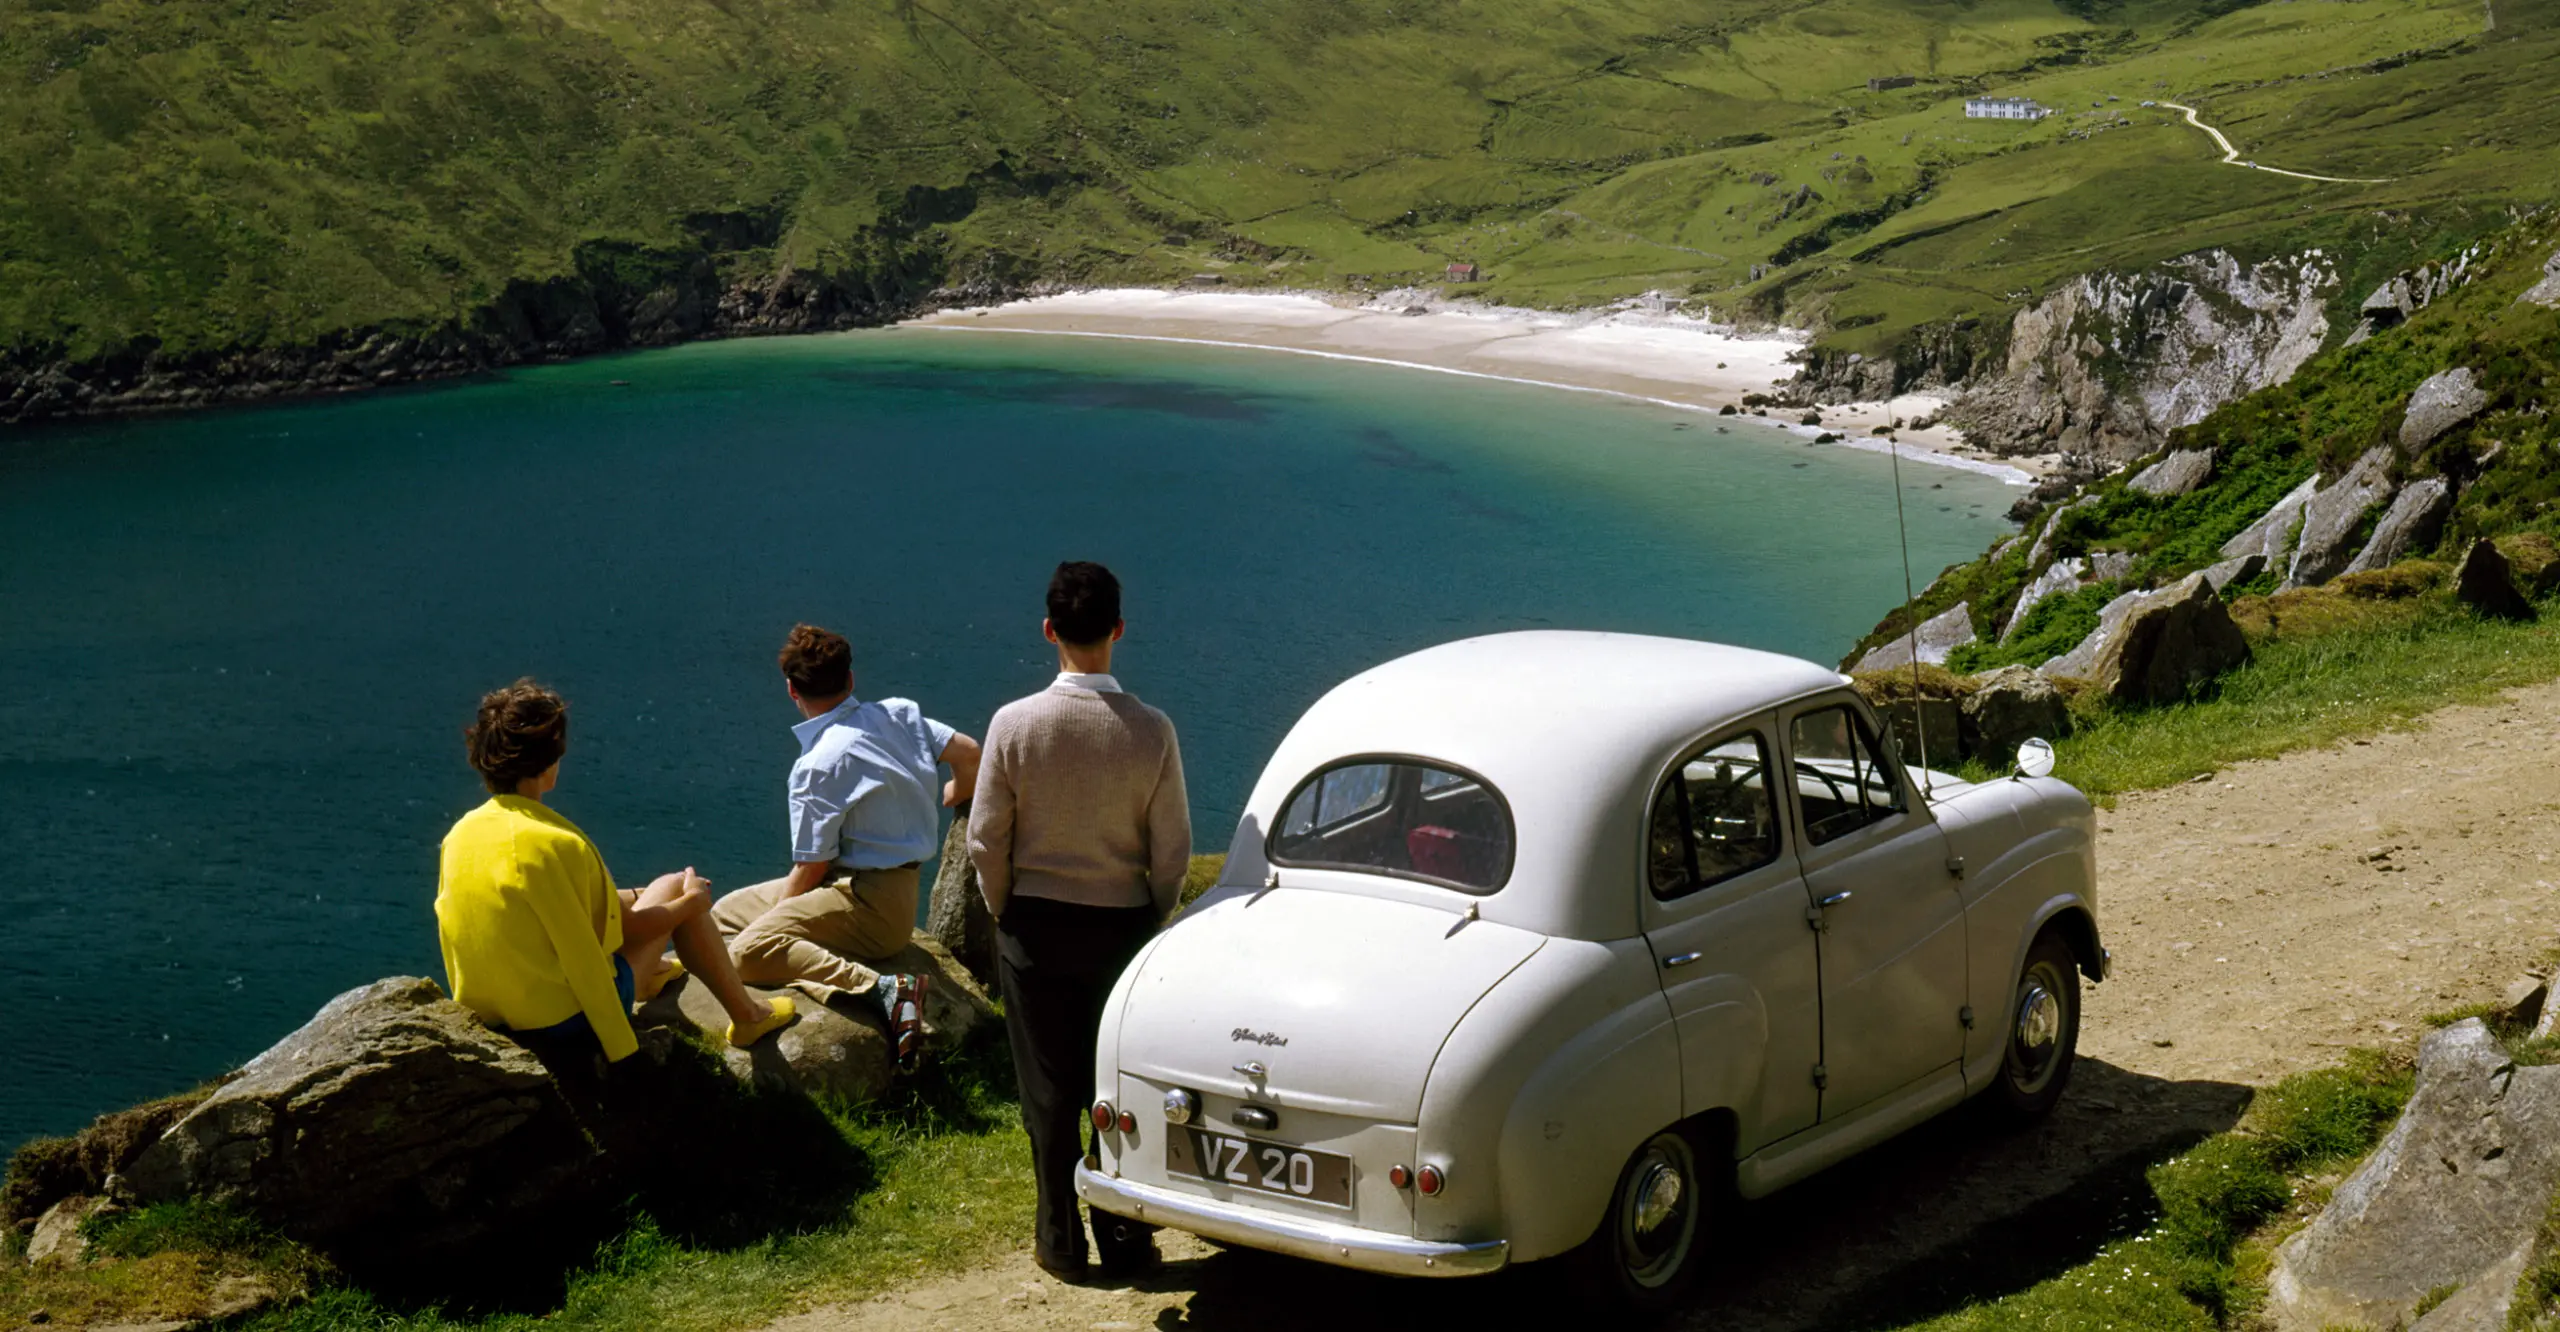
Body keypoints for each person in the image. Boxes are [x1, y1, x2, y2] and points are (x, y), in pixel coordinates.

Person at [969, 561, 1191, 1284]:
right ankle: (1126, 1238)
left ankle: (1059, 1241)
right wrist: (1155, 915)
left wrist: (1003, 906)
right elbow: (1173, 848)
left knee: (1047, 1093)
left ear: (1048, 631)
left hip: (1033, 926)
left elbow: (983, 839)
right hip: (1120, 930)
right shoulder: (1151, 731)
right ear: (1119, 630)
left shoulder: (1014, 724)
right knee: (1114, 1091)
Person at [436, 679, 797, 1064]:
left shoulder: (461, 834)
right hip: (565, 1022)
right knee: (676, 888)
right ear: (549, 760)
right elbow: (633, 929)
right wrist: (691, 904)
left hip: (496, 1013)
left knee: (657, 890)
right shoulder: (558, 843)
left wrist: (638, 895)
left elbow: (540, 905)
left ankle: (657, 971)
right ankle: (748, 1017)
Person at [713, 624, 980, 1070]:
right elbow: (970, 751)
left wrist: (776, 920)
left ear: (791, 690)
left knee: (746, 952)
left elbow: (812, 867)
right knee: (722, 915)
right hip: (874, 888)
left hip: (869, 906)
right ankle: (821, 971)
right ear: (850, 680)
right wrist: (957, 790)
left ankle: (884, 990)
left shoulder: (817, 765)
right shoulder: (899, 714)